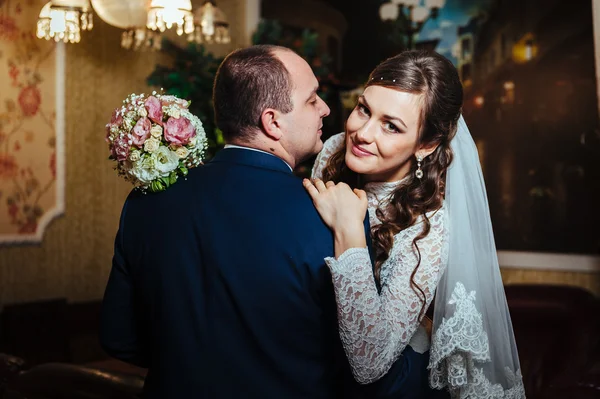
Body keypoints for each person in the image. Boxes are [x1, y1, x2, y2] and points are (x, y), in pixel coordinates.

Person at [100, 45, 368, 398]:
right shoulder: (333, 215)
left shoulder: (145, 202)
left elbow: (119, 338)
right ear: (272, 122)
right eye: (312, 98)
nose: (326, 108)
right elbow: (358, 359)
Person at [304, 50, 525, 398]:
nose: (362, 133)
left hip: (391, 387)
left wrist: (349, 233)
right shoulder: (334, 151)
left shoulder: (429, 228)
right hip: (318, 364)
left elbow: (370, 363)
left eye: (390, 126)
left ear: (426, 144)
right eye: (364, 109)